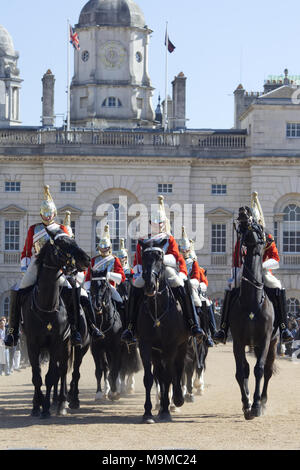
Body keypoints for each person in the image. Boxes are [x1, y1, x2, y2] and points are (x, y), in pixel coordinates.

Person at [5, 185, 82, 348]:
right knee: (18, 290)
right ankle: (13, 332)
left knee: (72, 288)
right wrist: (25, 267)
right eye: (44, 213)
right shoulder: (34, 229)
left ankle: (75, 329)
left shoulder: (61, 229)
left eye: (50, 213)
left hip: (57, 267)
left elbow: (69, 249)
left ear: (54, 214)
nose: (47, 216)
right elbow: (26, 251)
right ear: (41, 213)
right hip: (36, 263)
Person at [121, 195, 204, 344]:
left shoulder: (169, 239)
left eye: (159, 223)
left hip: (166, 270)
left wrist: (182, 273)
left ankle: (192, 323)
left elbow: (177, 258)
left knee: (182, 287)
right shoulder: (144, 240)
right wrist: (138, 270)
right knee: (134, 289)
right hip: (148, 271)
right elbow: (137, 260)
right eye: (154, 223)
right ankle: (131, 327)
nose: (157, 226)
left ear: (163, 224)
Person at [214, 192, 294, 344]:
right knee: (231, 289)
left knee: (278, 286)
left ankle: (284, 328)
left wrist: (261, 266)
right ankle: (223, 328)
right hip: (245, 271)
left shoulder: (267, 237)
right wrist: (236, 271)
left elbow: (275, 259)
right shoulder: (242, 237)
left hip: (263, 271)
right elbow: (236, 257)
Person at [63, 211, 104, 342]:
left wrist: (76, 277)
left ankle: (92, 326)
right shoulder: (57, 251)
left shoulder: (77, 252)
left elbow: (83, 270)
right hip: (58, 280)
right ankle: (17, 329)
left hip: (73, 281)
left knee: (85, 300)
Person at [178, 228, 217, 346]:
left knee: (201, 303)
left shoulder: (193, 262)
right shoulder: (176, 261)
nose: (184, 251)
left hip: (191, 287)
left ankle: (207, 332)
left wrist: (192, 283)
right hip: (178, 285)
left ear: (189, 250)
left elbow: (196, 276)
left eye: (186, 249)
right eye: (182, 249)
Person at [84, 224, 126, 322]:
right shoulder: (94, 260)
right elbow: (88, 276)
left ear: (109, 248)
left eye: (105, 248)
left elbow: (122, 277)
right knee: (85, 304)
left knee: (120, 302)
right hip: (94, 287)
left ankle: (125, 327)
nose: (103, 250)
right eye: (102, 248)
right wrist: (88, 287)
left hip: (109, 287)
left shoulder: (114, 259)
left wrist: (110, 275)